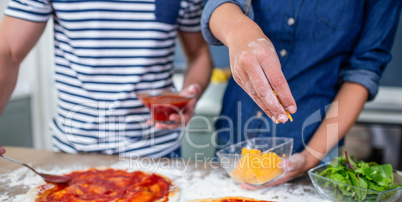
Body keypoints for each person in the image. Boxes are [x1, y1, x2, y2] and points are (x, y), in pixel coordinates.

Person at [201, 1, 401, 186]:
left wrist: (309, 157)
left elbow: (364, 72)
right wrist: (239, 30)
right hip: (234, 131)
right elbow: (218, 6)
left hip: (312, 144)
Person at [0, 0, 212, 158]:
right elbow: (8, 51)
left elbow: (199, 54)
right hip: (75, 150)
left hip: (158, 150)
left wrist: (191, 94)